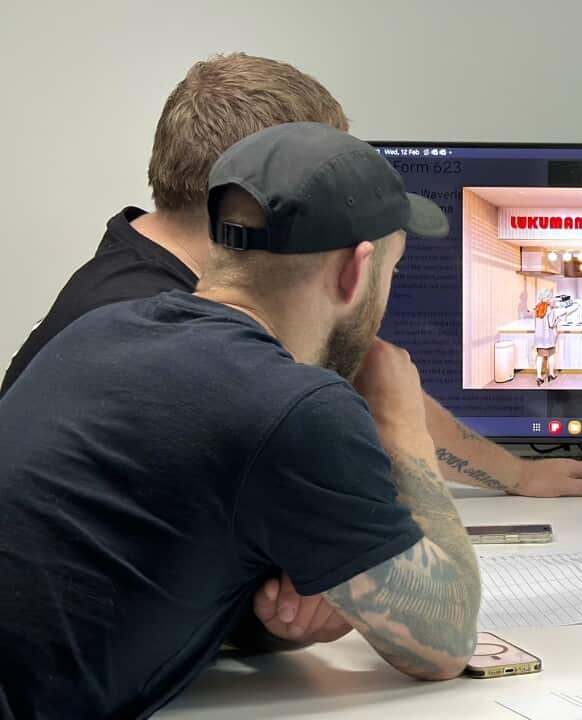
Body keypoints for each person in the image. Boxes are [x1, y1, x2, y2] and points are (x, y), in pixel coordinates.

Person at [0, 54, 582, 642]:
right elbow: (438, 630)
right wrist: (328, 569)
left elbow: (372, 383)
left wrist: (511, 472)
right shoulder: (136, 318)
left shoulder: (208, 301)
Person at [0, 122, 486, 716]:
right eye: (393, 272)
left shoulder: (96, 332)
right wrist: (404, 429)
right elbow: (445, 642)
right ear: (355, 271)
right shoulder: (294, 406)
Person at [531, 288, 561, 385]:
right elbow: (551, 324)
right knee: (551, 355)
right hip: (548, 338)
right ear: (548, 298)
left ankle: (539, 376)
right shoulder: (549, 309)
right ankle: (551, 374)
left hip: (539, 338)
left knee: (540, 356)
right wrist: (558, 320)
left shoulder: (537, 308)